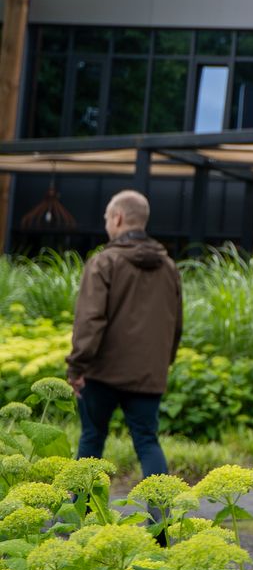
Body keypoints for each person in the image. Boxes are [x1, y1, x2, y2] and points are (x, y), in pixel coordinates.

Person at [67, 189, 182, 477]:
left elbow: (90, 320)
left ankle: (80, 519)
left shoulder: (104, 262)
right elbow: (176, 323)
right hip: (148, 374)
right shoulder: (169, 267)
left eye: (107, 217)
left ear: (117, 218)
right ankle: (163, 521)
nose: (106, 223)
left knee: (92, 440)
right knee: (147, 442)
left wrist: (77, 366)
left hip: (101, 373)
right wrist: (163, 364)